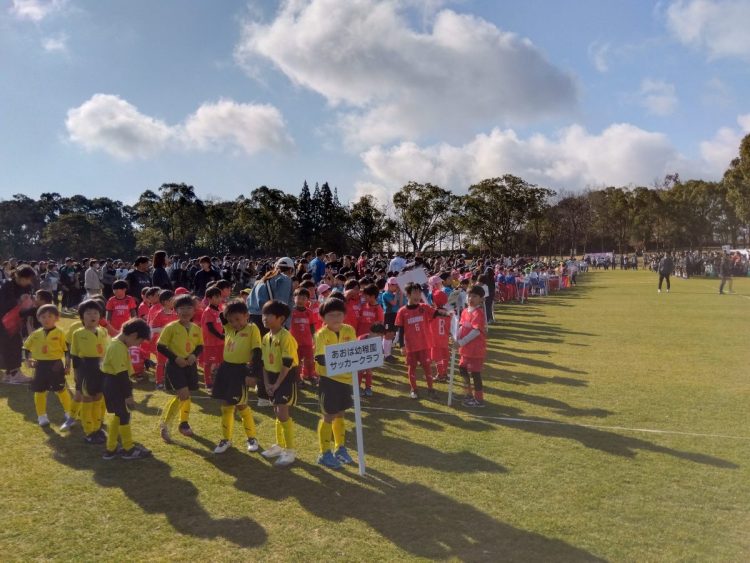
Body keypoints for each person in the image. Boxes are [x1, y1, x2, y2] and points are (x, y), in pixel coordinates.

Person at [211, 299, 262, 454]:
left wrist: (253, 374)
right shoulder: (228, 328)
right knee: (226, 405)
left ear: (247, 315)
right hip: (226, 369)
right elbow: (222, 315)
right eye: (231, 320)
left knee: (241, 405)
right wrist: (229, 308)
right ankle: (226, 439)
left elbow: (257, 352)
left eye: (238, 319)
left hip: (241, 370)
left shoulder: (252, 328)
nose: (235, 323)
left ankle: (252, 438)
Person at [314, 297, 357, 469]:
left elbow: (353, 351)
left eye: (339, 314)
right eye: (331, 315)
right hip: (329, 381)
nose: (336, 318)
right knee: (328, 415)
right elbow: (320, 357)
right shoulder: (321, 334)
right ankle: (324, 453)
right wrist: (333, 359)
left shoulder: (349, 330)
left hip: (346, 380)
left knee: (340, 414)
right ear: (323, 317)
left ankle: (340, 448)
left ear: (344, 315)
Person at [102, 318, 152, 460]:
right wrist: (128, 395)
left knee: (120, 416)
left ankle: (111, 449)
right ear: (134, 335)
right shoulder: (117, 347)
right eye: (139, 342)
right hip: (115, 384)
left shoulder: (118, 344)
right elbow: (121, 374)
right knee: (123, 415)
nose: (138, 345)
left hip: (114, 383)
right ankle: (128, 449)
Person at [157, 294, 204, 442]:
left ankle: (183, 424)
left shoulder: (196, 328)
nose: (186, 311)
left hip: (190, 366)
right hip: (175, 366)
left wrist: (194, 355)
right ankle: (166, 425)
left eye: (189, 308)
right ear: (175, 310)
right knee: (183, 394)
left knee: (186, 395)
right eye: (182, 308)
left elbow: (200, 346)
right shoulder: (171, 328)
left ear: (194, 310)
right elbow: (160, 346)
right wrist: (175, 358)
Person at [259, 300, 298, 467]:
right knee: (276, 411)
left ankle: (290, 450)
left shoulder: (285, 337)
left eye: (269, 315)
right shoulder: (266, 337)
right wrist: (267, 383)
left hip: (286, 376)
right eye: (263, 314)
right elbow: (263, 363)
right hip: (272, 377)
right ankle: (280, 445)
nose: (264, 318)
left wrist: (276, 385)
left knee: (282, 412)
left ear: (281, 318)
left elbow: (287, 364)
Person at [23, 304, 75, 429]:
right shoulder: (35, 334)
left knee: (61, 390)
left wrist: (68, 365)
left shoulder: (60, 333)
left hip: (56, 365)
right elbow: (26, 347)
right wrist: (27, 360)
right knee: (39, 391)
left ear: (56, 318)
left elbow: (67, 350)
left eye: (50, 316)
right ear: (38, 318)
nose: (46, 319)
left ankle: (69, 413)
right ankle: (41, 416)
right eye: (43, 317)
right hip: (40, 366)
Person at [395, 282, 450, 400]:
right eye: (415, 292)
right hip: (411, 346)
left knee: (427, 367)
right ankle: (414, 389)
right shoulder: (402, 311)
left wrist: (449, 313)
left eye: (419, 293)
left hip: (424, 345)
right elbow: (401, 330)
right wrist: (402, 346)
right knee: (412, 368)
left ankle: (431, 389)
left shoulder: (424, 307)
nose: (418, 295)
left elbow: (437, 312)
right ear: (408, 294)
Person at [70, 300, 109, 444]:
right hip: (86, 368)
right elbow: (74, 355)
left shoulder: (103, 331)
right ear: (82, 317)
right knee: (87, 398)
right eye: (88, 313)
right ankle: (89, 431)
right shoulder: (78, 334)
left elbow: (107, 350)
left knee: (98, 397)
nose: (92, 316)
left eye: (95, 313)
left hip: (102, 368)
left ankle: (97, 427)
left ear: (100, 316)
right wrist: (76, 373)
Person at [0, 265, 36, 384]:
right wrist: (19, 300)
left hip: (18, 320)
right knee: (11, 346)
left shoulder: (27, 287)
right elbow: (3, 304)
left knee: (15, 345)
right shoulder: (7, 285)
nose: (29, 282)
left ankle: (9, 374)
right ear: (18, 276)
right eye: (27, 279)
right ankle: (14, 374)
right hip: (5, 322)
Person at [454, 285, 488, 407]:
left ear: (481, 299)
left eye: (474, 296)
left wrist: (461, 342)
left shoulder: (478, 313)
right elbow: (462, 327)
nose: (470, 298)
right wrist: (456, 337)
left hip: (475, 350)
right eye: (469, 295)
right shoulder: (465, 311)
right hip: (465, 349)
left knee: (475, 373)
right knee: (462, 369)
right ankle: (468, 394)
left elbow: (476, 331)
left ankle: (479, 400)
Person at [149, 290, 177, 390]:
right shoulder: (159, 315)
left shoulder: (176, 314)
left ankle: (172, 381)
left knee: (173, 363)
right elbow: (153, 329)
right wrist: (165, 329)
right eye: (172, 299)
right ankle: (159, 382)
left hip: (173, 344)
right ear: (165, 302)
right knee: (161, 363)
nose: (174, 301)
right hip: (162, 344)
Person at [290, 287, 317, 386]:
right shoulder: (291, 312)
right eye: (299, 298)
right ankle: (297, 378)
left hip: (307, 342)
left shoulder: (309, 312)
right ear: (294, 298)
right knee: (296, 362)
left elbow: (312, 325)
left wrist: (314, 338)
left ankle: (310, 375)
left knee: (309, 360)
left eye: (304, 298)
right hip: (294, 342)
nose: (301, 300)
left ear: (307, 300)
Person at [200, 286, 224, 390]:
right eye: (216, 297)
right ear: (209, 299)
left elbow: (222, 325)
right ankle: (208, 382)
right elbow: (210, 327)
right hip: (210, 343)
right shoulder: (208, 311)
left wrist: (224, 334)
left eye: (220, 296)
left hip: (220, 342)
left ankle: (220, 380)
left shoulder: (219, 310)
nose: (219, 299)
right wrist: (221, 336)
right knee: (209, 363)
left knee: (221, 361)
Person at [357, 323, 385, 397]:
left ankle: (368, 387)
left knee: (369, 370)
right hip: (360, 359)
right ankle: (357, 387)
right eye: (380, 335)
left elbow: (380, 349)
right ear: (372, 333)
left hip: (370, 358)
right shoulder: (361, 339)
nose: (381, 337)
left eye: (382, 336)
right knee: (360, 370)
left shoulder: (378, 340)